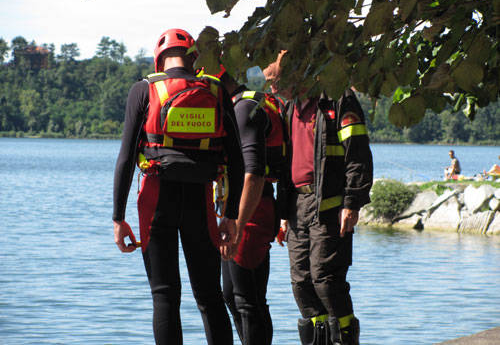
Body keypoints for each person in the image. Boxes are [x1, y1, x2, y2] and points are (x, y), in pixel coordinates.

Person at [112, 28, 244, 345]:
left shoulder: (144, 90)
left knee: (165, 296)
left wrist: (118, 217)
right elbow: (237, 160)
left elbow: (126, 158)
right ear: (194, 59)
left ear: (160, 59)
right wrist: (231, 214)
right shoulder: (214, 90)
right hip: (200, 200)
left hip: (157, 199)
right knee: (210, 296)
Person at [263, 51, 373, 345]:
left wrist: (352, 203)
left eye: (275, 81)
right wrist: (283, 214)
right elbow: (287, 166)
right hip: (297, 205)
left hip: (330, 204)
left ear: (296, 73)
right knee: (301, 282)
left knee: (325, 279)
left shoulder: (337, 101)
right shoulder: (289, 110)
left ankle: (345, 338)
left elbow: (358, 154)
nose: (272, 89)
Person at [217, 69, 290, 345]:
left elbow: (253, 173)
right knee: (231, 294)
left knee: (249, 300)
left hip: (251, 208)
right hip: (244, 206)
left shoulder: (245, 107)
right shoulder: (252, 102)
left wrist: (236, 221)